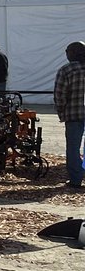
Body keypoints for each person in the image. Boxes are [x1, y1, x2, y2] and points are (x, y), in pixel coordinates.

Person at [53, 40, 85, 190]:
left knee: (73, 148)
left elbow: (60, 95)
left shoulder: (66, 70)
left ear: (73, 53)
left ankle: (76, 180)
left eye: (67, 51)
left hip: (74, 115)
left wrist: (61, 112)